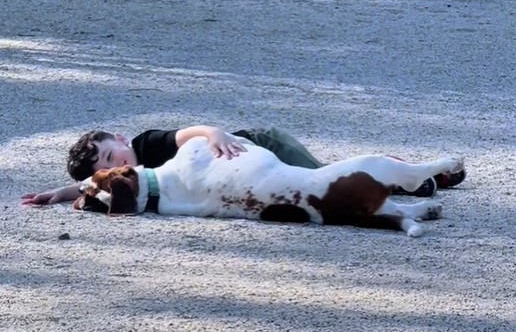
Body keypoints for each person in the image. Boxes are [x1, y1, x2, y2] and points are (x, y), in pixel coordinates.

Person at [21, 124, 465, 206]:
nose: (115, 164)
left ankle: (418, 175)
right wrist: (62, 193)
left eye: (111, 154)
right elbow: (97, 186)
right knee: (326, 180)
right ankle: (414, 178)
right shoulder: (129, 178)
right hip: (257, 170)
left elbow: (193, 133)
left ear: (120, 140)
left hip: (258, 144)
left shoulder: (146, 146)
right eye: (107, 164)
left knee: (326, 175)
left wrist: (214, 134)